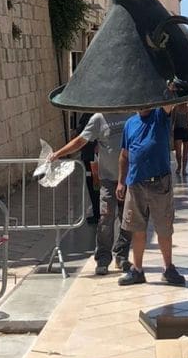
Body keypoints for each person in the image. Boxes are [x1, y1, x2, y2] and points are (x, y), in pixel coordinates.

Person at [50, 112, 131, 276]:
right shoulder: (98, 119)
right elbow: (81, 140)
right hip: (108, 179)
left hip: (129, 178)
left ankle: (122, 256)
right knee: (105, 219)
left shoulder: (130, 114)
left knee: (127, 220)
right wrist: (58, 154)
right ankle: (103, 259)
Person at [117, 96, 185, 286]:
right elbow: (124, 155)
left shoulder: (160, 115)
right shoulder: (130, 123)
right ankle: (137, 270)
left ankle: (168, 269)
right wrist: (121, 182)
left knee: (163, 228)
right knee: (137, 229)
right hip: (135, 184)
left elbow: (169, 100)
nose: (143, 103)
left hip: (160, 183)